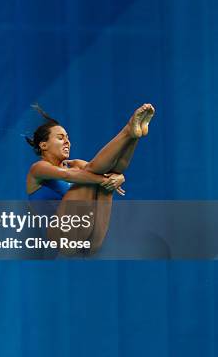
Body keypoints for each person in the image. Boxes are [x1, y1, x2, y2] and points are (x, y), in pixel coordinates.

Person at [25, 103, 155, 254]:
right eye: (61, 138)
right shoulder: (38, 169)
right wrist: (104, 180)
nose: (67, 142)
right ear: (43, 145)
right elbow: (67, 175)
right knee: (89, 175)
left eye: (68, 138)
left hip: (91, 240)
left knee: (103, 175)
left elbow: (106, 173)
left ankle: (134, 135)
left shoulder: (76, 164)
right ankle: (128, 130)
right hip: (62, 238)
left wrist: (119, 177)